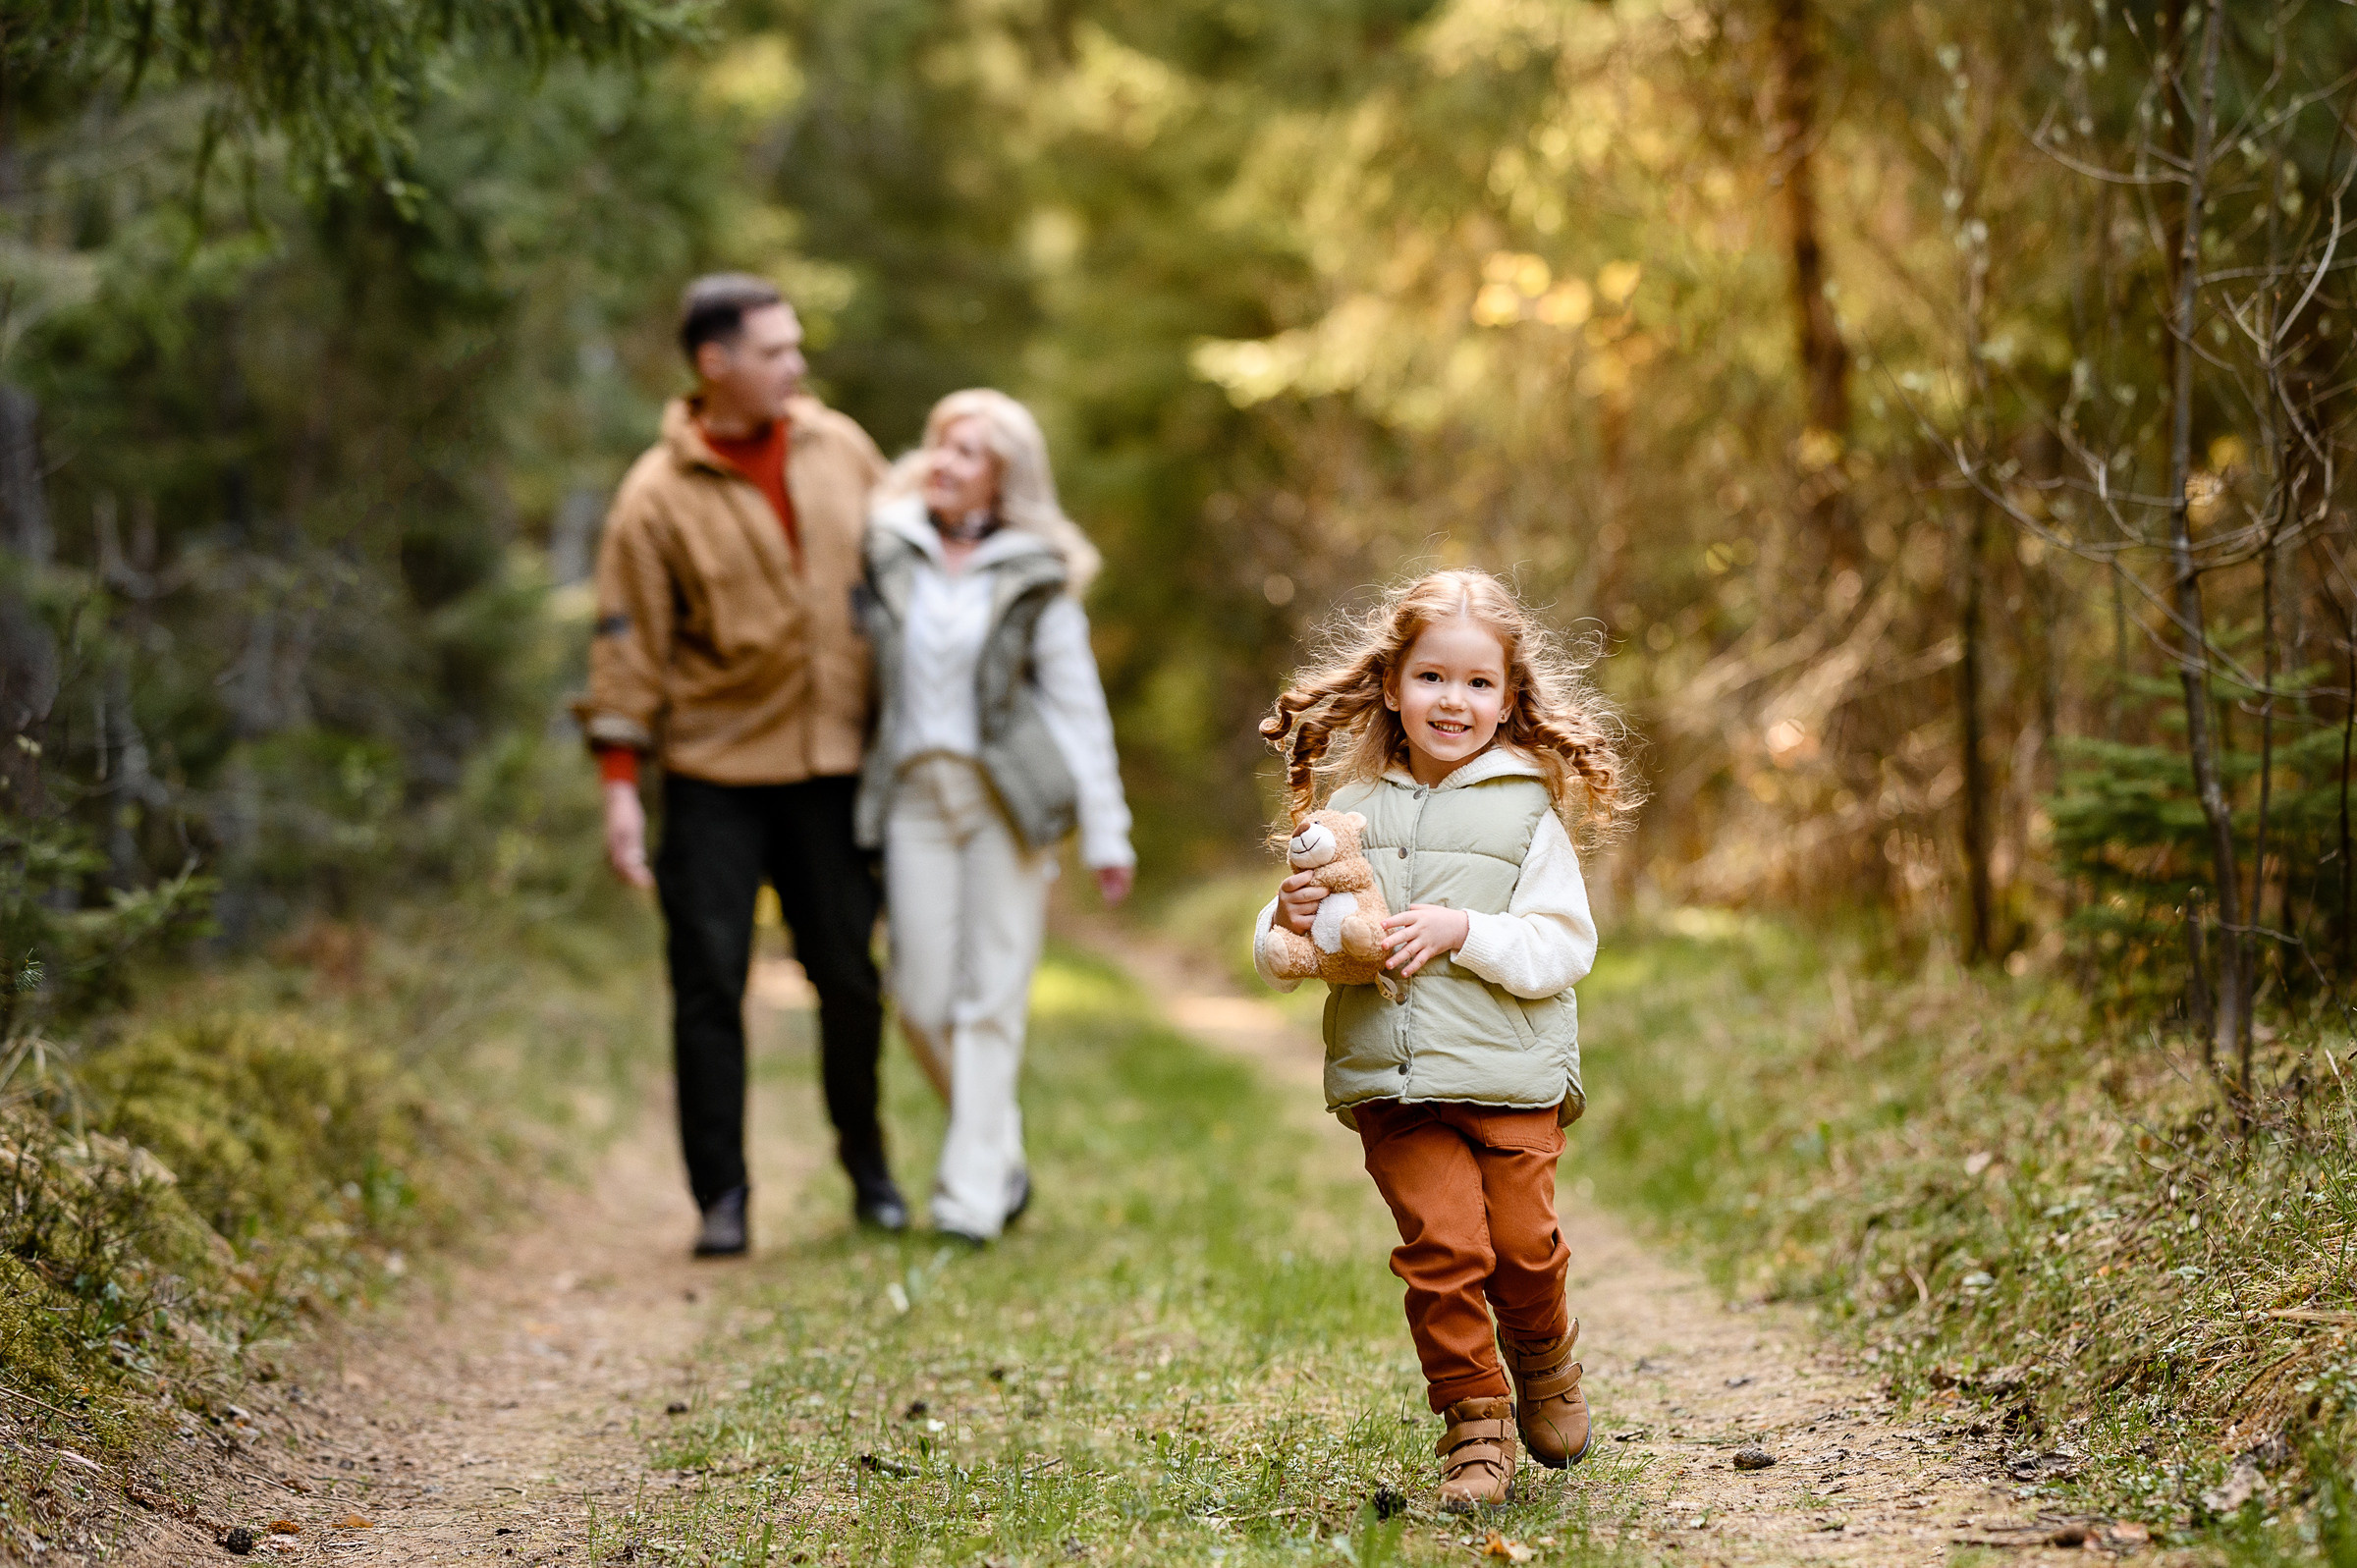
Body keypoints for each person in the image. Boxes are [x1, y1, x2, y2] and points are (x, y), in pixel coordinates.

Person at [1251, 568, 1635, 1512]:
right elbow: (1288, 947)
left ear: (1508, 700)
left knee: (1523, 1248)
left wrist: (1465, 930)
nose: (1451, 701)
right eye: (1431, 678)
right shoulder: (1352, 811)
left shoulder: (1526, 811)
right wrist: (1288, 914)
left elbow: (1564, 944)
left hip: (1511, 1080)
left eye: (1475, 683)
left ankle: (1543, 1357)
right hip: (1395, 1082)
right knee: (1443, 1249)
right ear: (1392, 685)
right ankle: (1474, 1429)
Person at [575, 274, 906, 1257]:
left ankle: (870, 1170)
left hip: (834, 764)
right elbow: (625, 650)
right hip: (715, 774)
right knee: (709, 984)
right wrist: (621, 791)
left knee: (849, 979)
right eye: (774, 350)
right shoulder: (654, 496)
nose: (795, 365)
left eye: (796, 346)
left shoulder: (839, 445)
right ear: (713, 363)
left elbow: (914, 562)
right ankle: (722, 1195)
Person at [853, 389, 1134, 1244]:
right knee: (919, 996)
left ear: (1004, 476)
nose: (943, 462)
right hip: (912, 796)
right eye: (939, 445)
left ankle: (970, 1198)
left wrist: (1108, 827)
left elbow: (1078, 705)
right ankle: (1000, 1146)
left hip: (1002, 801)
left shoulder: (1034, 573)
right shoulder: (889, 548)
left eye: (966, 451)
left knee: (991, 998)